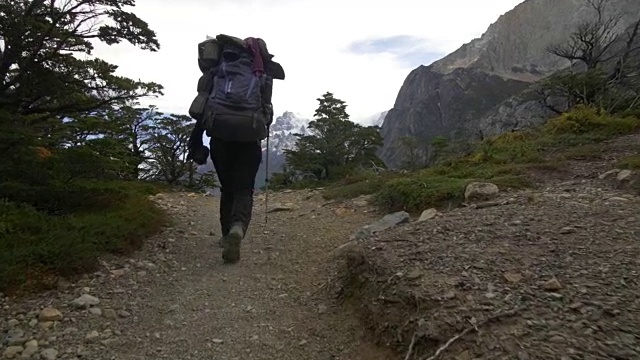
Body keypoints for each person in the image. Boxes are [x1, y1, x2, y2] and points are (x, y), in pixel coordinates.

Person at [188, 35, 282, 264]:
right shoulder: (260, 72)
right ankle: (238, 228)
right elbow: (267, 109)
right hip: (249, 139)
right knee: (244, 189)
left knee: (228, 189)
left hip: (220, 138)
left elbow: (201, 107)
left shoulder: (217, 71)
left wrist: (196, 142)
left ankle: (224, 235)